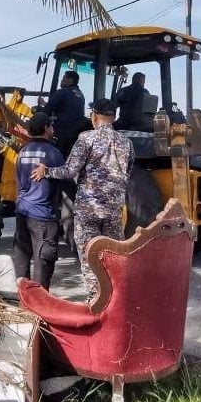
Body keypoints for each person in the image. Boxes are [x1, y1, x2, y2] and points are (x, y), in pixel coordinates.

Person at [31, 98, 134, 298]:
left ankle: (96, 300)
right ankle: (116, 298)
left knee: (90, 256)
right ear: (114, 117)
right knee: (114, 255)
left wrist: (46, 171)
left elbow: (69, 171)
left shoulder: (86, 138)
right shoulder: (127, 143)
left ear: (94, 116)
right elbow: (127, 174)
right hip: (114, 210)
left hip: (89, 210)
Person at [14, 113, 65, 290]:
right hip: (43, 215)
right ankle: (39, 301)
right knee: (43, 260)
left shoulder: (22, 152)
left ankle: (24, 297)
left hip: (23, 211)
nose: (53, 128)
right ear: (46, 128)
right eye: (51, 125)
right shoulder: (53, 153)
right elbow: (65, 178)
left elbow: (19, 182)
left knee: (22, 255)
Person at [43, 71, 87, 157]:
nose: (61, 80)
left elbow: (47, 110)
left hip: (60, 135)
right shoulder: (80, 95)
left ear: (70, 80)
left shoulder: (62, 92)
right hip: (74, 137)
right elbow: (67, 108)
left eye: (63, 78)